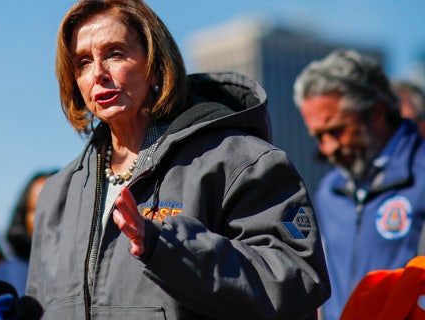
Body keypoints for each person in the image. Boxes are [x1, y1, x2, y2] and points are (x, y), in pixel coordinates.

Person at [26, 1, 331, 318]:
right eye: (83, 62)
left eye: (115, 53)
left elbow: (297, 283)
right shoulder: (55, 195)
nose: (98, 74)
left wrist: (170, 248)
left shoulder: (240, 162)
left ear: (155, 64)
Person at [293, 49, 425, 319]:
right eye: (318, 136)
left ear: (376, 112)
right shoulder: (329, 191)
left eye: (336, 131)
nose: (328, 148)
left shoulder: (421, 174)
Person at [0, 170, 58, 296]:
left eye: (56, 208)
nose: (46, 217)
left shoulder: (92, 273)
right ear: (23, 215)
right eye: (36, 209)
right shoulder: (1, 276)